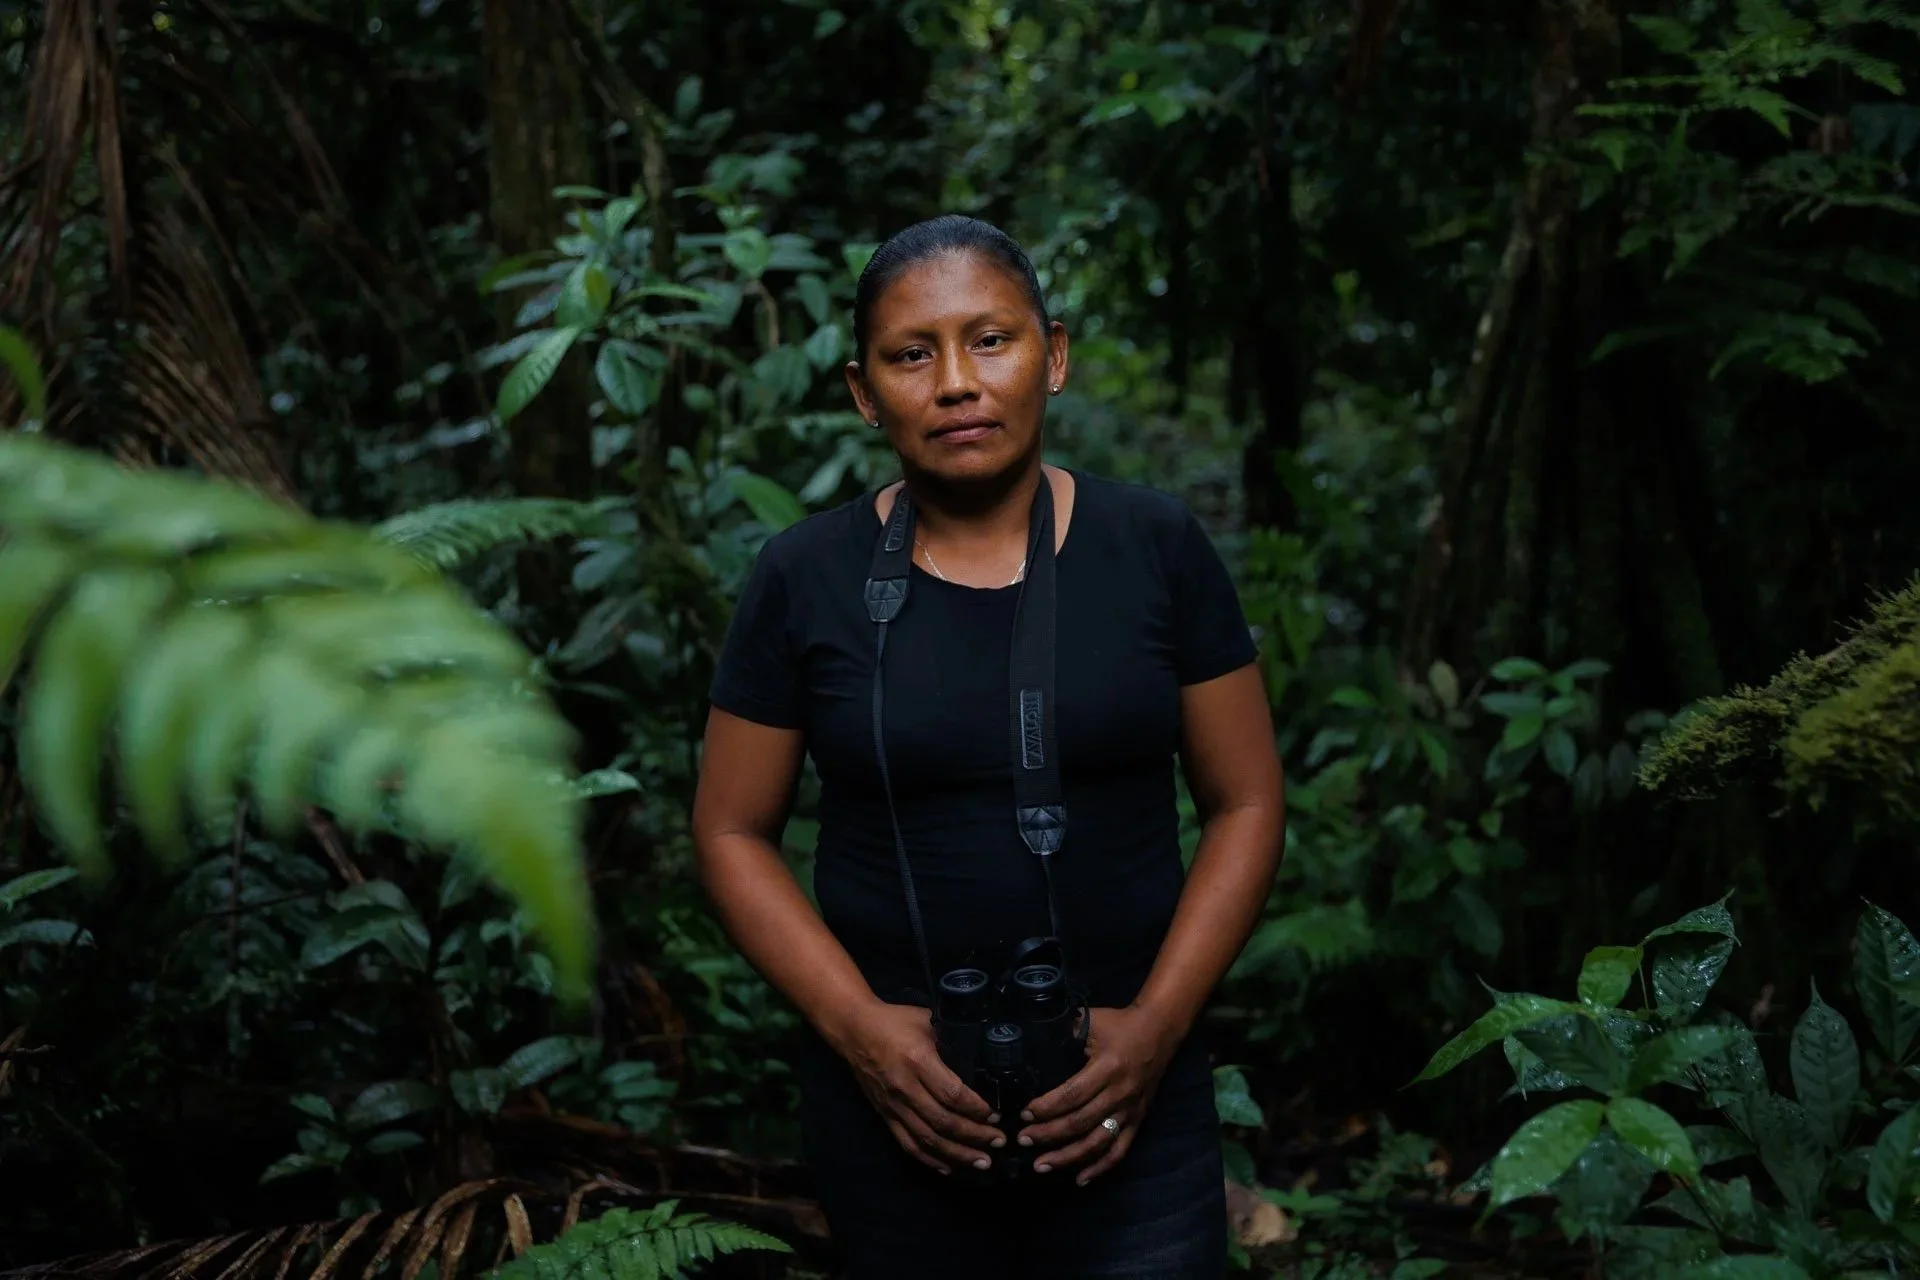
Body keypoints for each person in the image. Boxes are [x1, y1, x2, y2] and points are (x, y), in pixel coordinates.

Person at [690, 213, 1286, 1278]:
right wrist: (861, 1030)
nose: (957, 383)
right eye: (911, 355)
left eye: (991, 340)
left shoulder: (1154, 547)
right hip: (899, 1103)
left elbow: (1246, 801)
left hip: (1130, 1099)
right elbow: (731, 829)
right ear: (864, 391)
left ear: (1053, 356)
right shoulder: (804, 575)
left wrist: (1154, 1028)